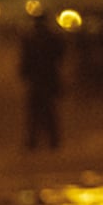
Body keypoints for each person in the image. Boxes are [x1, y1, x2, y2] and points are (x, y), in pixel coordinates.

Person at [18, 11, 65, 151]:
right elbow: (60, 55)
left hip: (38, 79)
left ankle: (35, 140)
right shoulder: (51, 38)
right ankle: (51, 140)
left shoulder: (31, 38)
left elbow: (25, 59)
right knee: (47, 110)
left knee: (36, 111)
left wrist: (24, 73)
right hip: (47, 78)